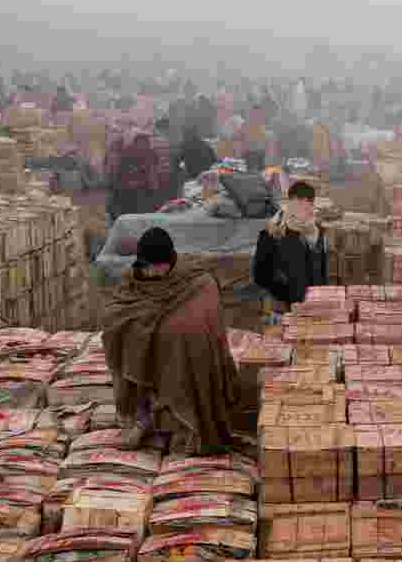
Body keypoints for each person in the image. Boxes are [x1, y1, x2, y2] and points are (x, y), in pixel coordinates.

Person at [102, 227, 239, 454]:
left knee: (182, 341)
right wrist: (140, 325)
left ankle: (182, 422)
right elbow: (117, 311)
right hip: (144, 350)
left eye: (159, 267)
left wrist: (162, 328)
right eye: (149, 267)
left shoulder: (196, 280)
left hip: (178, 355)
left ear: (171, 260)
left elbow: (200, 318)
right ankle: (141, 417)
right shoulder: (134, 278)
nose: (154, 273)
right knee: (126, 336)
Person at [253, 180, 328, 310]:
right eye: (298, 201)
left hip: (314, 303)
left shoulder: (317, 230)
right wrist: (285, 295)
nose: (303, 207)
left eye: (308, 202)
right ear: (290, 203)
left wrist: (320, 296)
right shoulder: (272, 231)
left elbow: (321, 270)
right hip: (285, 304)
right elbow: (260, 275)